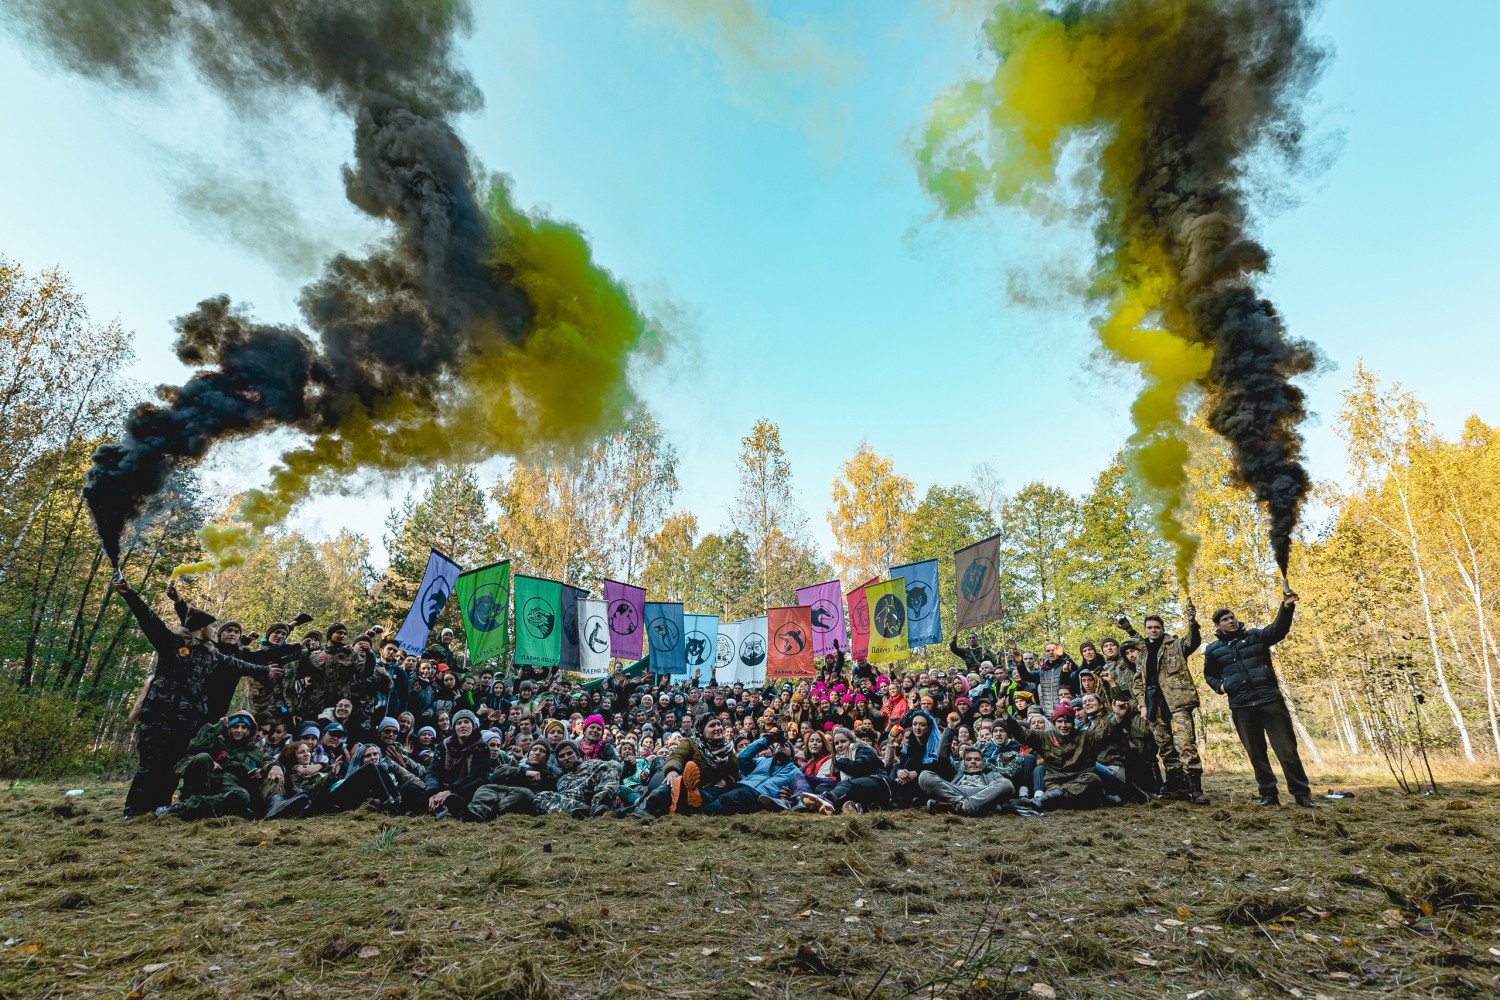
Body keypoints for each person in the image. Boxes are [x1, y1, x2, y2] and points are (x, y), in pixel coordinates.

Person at [114, 576, 286, 819]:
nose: (216, 631)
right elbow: (148, 620)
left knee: (174, 765)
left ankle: (161, 808)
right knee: (150, 765)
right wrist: (129, 594)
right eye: (213, 627)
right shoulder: (171, 643)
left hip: (187, 721)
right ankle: (134, 811)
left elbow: (237, 663)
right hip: (159, 717)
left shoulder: (210, 654)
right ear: (200, 627)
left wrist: (264, 671)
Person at [1203, 592, 1317, 808]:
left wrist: (1286, 607)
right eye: (1226, 619)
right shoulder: (1213, 650)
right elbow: (1209, 674)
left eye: (1233, 617)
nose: (1232, 620)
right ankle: (1268, 795)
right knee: (1256, 754)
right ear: (1218, 626)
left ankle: (1302, 795)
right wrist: (1220, 686)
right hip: (1242, 706)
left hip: (1269, 701)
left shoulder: (1255, 636)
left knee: (1287, 752)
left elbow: (1278, 629)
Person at [1118, 607, 1206, 804]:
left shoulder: (1175, 645)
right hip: (1153, 705)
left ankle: (1195, 788)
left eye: (1157, 627)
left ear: (1162, 628)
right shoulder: (1142, 653)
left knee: (1185, 744)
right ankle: (1176, 785)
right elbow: (1138, 683)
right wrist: (1142, 705)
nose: (1153, 630)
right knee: (1165, 746)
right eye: (1149, 627)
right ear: (1146, 629)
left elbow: (1193, 642)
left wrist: (1192, 622)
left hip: (1176, 703)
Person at [1002, 701, 1130, 811]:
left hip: (1081, 782)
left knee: (1093, 779)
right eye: (1060, 721)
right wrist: (1005, 714)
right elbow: (1021, 734)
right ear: (1054, 722)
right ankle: (1095, 800)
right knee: (1073, 797)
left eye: (1067, 721)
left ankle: (1047, 800)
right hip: (1055, 784)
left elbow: (1106, 734)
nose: (1063, 725)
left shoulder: (1086, 737)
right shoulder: (1044, 737)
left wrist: (1117, 717)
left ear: (1073, 722)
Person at [917, 727, 1018, 816]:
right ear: (964, 762)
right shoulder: (956, 772)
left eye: (977, 759)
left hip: (981, 792)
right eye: (969, 759)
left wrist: (990, 788)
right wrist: (950, 729)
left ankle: (963, 805)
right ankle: (962, 803)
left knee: (1006, 783)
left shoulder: (991, 774)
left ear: (983, 763)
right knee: (924, 775)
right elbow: (942, 757)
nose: (973, 762)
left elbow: (1007, 786)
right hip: (956, 791)